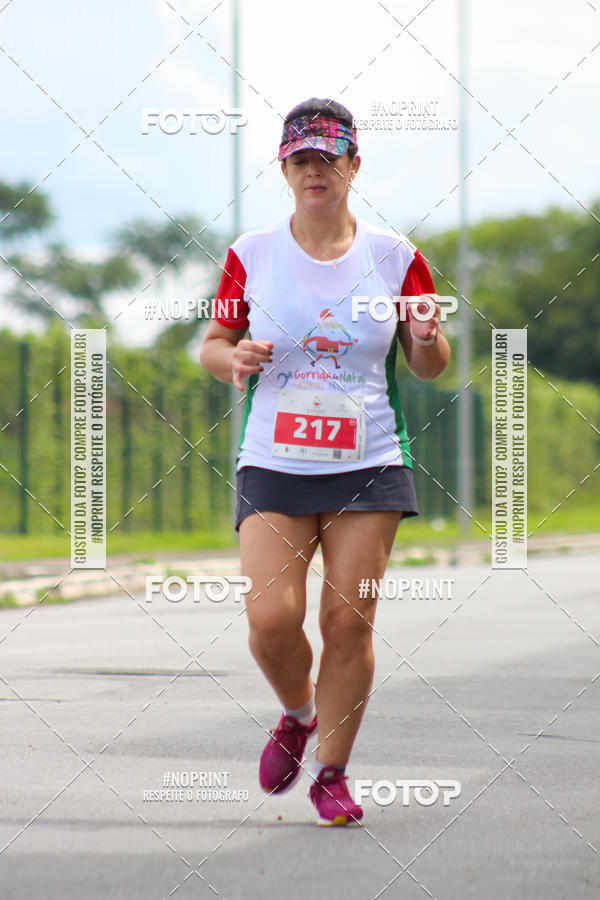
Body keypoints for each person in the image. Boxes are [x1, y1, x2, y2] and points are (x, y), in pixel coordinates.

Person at [199, 97, 450, 826]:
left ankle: (333, 773)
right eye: (302, 159)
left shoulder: (396, 256)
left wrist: (428, 335)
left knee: (349, 620)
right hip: (274, 459)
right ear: (284, 169)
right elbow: (213, 345)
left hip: (368, 460)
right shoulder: (254, 253)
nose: (316, 170)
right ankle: (298, 713)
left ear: (353, 165)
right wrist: (232, 357)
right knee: (272, 618)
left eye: (328, 157)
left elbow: (429, 365)